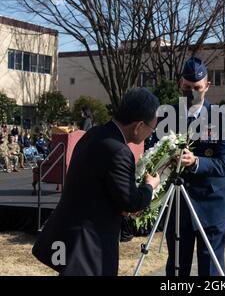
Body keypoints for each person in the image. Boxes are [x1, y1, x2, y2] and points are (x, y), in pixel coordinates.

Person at [32, 88, 161, 276]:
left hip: (68, 235)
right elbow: (131, 202)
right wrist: (150, 186)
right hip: (88, 246)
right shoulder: (119, 151)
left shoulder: (94, 134)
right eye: (151, 128)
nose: (150, 134)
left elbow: (97, 186)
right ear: (138, 126)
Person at [156, 57, 225, 276]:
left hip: (212, 203)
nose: (192, 92)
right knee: (176, 267)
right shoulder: (166, 115)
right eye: (187, 87)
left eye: (197, 88)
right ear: (180, 84)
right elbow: (153, 152)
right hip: (178, 204)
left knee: (210, 268)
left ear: (207, 86)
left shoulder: (223, 117)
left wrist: (196, 162)